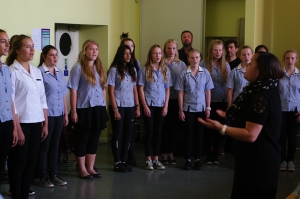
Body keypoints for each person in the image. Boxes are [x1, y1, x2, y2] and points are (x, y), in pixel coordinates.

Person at [199, 52, 284, 198]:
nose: (246, 66)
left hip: (259, 162)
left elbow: (251, 134)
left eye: (250, 64)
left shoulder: (262, 96)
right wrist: (226, 115)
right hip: (252, 159)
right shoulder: (260, 90)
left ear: (259, 71)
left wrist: (221, 127)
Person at [6, 34, 48, 199]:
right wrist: (17, 128)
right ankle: (16, 193)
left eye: (33, 46)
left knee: (31, 163)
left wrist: (45, 124)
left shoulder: (37, 71)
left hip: (36, 121)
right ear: (17, 50)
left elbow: (42, 98)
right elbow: (12, 102)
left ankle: (24, 192)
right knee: (19, 163)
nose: (32, 50)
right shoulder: (11, 71)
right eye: (27, 46)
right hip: (21, 123)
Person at [67, 39, 108, 179]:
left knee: (94, 140)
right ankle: (82, 169)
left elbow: (103, 89)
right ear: (85, 51)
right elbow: (73, 90)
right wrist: (73, 111)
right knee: (82, 139)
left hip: (98, 108)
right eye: (91, 49)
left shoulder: (99, 67)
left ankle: (90, 168)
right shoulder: (78, 67)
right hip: (84, 108)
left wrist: (104, 107)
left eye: (96, 49)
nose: (94, 52)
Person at [36, 45, 68, 187]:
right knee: (45, 145)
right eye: (51, 55)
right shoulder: (39, 73)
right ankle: (43, 176)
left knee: (55, 146)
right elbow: (39, 97)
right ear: (44, 56)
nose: (55, 57)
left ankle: (53, 174)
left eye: (56, 55)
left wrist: (66, 113)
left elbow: (62, 94)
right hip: (46, 114)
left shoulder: (60, 73)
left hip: (59, 113)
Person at [176, 49, 213, 170]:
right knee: (188, 134)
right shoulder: (183, 73)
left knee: (199, 135)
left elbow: (208, 91)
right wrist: (181, 110)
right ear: (188, 59)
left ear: (200, 59)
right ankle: (187, 159)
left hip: (201, 108)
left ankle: (197, 159)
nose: (195, 60)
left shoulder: (205, 73)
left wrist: (208, 107)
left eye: (197, 57)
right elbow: (180, 93)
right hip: (188, 108)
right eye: (192, 57)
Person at [138, 44, 172, 170]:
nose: (157, 55)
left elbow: (167, 89)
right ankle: (148, 159)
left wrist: (166, 105)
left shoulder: (165, 70)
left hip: (161, 104)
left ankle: (156, 159)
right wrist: (144, 106)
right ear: (150, 55)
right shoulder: (144, 70)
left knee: (158, 133)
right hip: (149, 104)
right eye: (155, 53)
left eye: (159, 53)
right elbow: (140, 89)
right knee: (149, 132)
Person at [107, 45, 140, 172]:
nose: (128, 56)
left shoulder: (133, 70)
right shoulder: (114, 70)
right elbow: (110, 92)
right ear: (120, 55)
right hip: (118, 106)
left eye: (130, 53)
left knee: (128, 134)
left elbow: (135, 90)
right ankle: (117, 161)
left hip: (130, 105)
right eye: (125, 53)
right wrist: (115, 109)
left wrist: (137, 107)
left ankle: (124, 160)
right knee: (118, 133)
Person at [200, 39, 230, 163]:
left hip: (222, 101)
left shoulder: (226, 65)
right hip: (208, 102)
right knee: (208, 129)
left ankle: (215, 156)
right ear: (211, 51)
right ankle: (208, 154)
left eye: (220, 50)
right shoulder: (203, 63)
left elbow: (229, 86)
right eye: (215, 50)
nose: (218, 52)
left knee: (219, 129)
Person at [160, 39, 186, 165]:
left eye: (174, 48)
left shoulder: (181, 65)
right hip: (162, 100)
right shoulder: (160, 62)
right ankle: (163, 153)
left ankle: (171, 153)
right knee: (163, 127)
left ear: (177, 50)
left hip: (176, 99)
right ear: (165, 49)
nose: (171, 51)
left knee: (173, 128)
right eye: (169, 48)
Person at [0, 29, 18, 189]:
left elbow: (10, 99)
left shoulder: (6, 70)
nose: (8, 44)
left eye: (8, 41)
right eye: (2, 41)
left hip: (5, 122)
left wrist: (13, 126)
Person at [120, 38, 140, 166]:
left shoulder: (136, 63)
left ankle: (130, 153)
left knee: (131, 131)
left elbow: (137, 85)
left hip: (133, 100)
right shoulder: (118, 65)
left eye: (132, 46)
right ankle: (121, 156)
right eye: (127, 46)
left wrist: (138, 105)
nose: (130, 49)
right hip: (121, 102)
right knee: (122, 131)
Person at [279, 50, 300, 172]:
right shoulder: (278, 75)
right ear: (284, 59)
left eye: (292, 58)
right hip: (281, 109)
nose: (290, 60)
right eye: (287, 58)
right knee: (281, 136)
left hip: (295, 111)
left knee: (292, 136)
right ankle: (282, 160)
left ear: (296, 60)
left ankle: (290, 161)